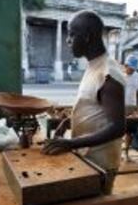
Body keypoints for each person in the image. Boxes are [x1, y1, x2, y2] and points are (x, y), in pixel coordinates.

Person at [42, 10, 126, 194]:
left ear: (87, 37)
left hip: (100, 164)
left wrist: (71, 143)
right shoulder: (94, 66)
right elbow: (95, 109)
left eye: (72, 34)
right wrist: (69, 121)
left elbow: (118, 127)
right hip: (87, 158)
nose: (67, 40)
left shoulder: (108, 73)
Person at [124, 55, 138, 162]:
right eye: (130, 69)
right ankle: (117, 153)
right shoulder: (120, 76)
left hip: (132, 107)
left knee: (129, 132)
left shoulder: (137, 76)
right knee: (117, 132)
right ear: (125, 66)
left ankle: (126, 154)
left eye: (133, 69)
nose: (132, 71)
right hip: (120, 107)